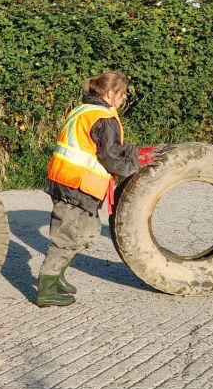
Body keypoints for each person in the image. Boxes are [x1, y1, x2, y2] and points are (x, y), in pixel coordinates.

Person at [37, 71, 157, 307]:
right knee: (67, 235)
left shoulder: (83, 109)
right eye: (122, 96)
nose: (123, 101)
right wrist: (136, 163)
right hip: (76, 185)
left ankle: (57, 275)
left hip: (67, 180)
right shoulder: (103, 118)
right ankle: (45, 288)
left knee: (86, 230)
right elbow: (111, 157)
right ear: (111, 93)